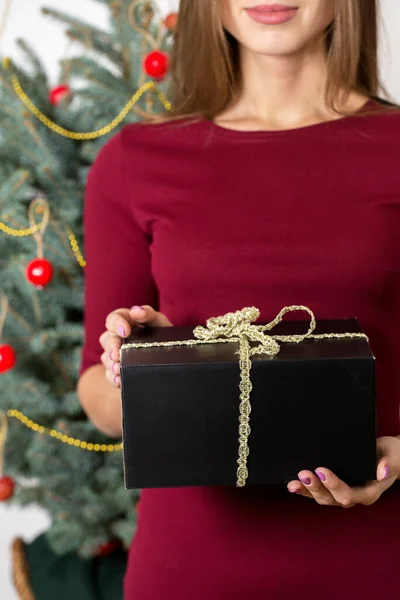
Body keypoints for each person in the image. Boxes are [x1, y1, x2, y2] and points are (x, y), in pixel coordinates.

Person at [77, 0, 400, 598]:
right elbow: (96, 396)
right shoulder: (134, 163)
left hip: (378, 561)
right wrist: (150, 366)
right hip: (189, 572)